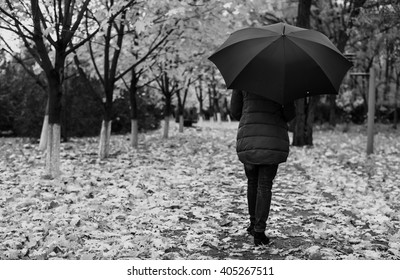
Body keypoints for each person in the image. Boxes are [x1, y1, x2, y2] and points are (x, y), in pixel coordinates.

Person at [230, 89, 296, 246]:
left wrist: (250, 116)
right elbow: (289, 114)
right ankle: (259, 232)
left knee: (252, 182)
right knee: (264, 186)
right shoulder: (283, 81)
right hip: (272, 140)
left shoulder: (243, 78)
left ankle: (253, 225)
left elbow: (235, 111)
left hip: (249, 138)